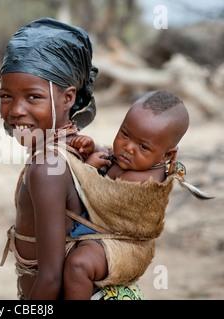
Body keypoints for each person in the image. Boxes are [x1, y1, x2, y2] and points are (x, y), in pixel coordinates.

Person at [0, 17, 143, 300]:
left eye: (33, 97)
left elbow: (51, 279)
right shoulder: (80, 149)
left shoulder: (46, 168)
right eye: (6, 95)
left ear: (68, 98)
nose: (15, 110)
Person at [64, 90, 213, 299]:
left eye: (143, 146)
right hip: (103, 232)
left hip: (126, 246)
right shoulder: (135, 160)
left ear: (167, 155)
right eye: (124, 134)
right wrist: (92, 147)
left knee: (79, 265)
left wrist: (87, 168)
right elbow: (110, 157)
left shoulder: (143, 181)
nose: (128, 148)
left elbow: (96, 195)